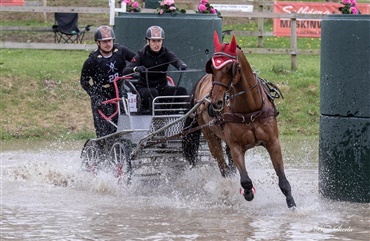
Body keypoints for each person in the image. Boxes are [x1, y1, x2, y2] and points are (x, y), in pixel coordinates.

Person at [80, 25, 136, 138]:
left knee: (124, 118)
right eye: (104, 41)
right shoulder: (92, 61)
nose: (108, 44)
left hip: (119, 92)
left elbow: (136, 60)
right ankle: (103, 146)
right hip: (102, 95)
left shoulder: (121, 51)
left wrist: (135, 69)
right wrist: (94, 95)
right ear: (98, 43)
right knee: (104, 127)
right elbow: (84, 81)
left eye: (109, 41)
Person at [122, 25, 188, 112]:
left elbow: (176, 61)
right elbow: (125, 70)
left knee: (182, 91)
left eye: (159, 41)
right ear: (148, 41)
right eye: (153, 41)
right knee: (153, 93)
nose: (156, 44)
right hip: (144, 89)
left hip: (162, 87)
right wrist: (136, 69)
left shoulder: (166, 53)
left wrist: (181, 65)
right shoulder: (142, 54)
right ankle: (159, 118)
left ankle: (179, 117)